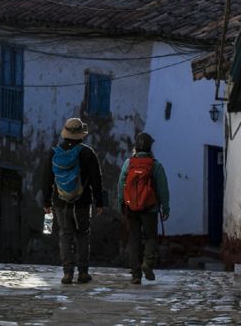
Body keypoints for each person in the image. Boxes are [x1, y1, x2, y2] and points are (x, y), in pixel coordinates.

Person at [44, 117, 105, 284]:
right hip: (82, 203)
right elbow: (96, 179)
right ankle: (83, 273)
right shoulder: (87, 153)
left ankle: (67, 273)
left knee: (65, 235)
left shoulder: (54, 152)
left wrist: (46, 202)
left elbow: (47, 178)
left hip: (60, 202)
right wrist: (99, 202)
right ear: (81, 135)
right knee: (83, 235)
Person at [117, 132, 170, 284]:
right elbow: (163, 189)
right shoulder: (155, 165)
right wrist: (165, 208)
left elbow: (121, 185)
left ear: (136, 146)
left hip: (131, 208)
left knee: (134, 239)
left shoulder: (129, 164)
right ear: (149, 147)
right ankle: (147, 263)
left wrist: (121, 203)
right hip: (150, 208)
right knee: (150, 237)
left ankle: (135, 274)